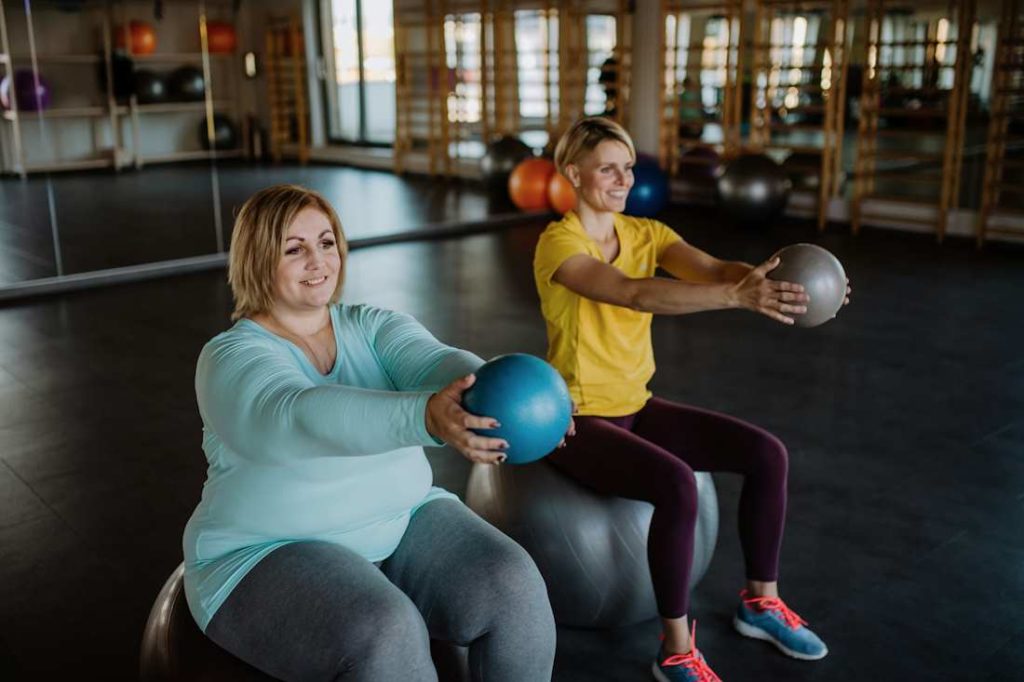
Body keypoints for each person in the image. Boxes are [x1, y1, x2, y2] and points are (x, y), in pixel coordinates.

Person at [183, 184, 557, 682]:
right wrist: (423, 417)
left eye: (326, 242)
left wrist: (510, 397)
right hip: (265, 549)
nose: (317, 260)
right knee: (387, 629)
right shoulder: (229, 358)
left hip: (399, 518)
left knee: (514, 583)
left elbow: (441, 364)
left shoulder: (371, 326)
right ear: (257, 259)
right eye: (294, 249)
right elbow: (298, 416)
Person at [533, 117, 851, 682]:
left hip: (636, 403)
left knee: (766, 454)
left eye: (628, 167)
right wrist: (733, 296)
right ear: (572, 172)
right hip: (577, 419)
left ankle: (760, 602)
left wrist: (779, 284)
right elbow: (631, 293)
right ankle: (675, 649)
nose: (623, 179)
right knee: (678, 485)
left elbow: (714, 268)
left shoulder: (646, 234)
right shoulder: (559, 243)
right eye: (608, 168)